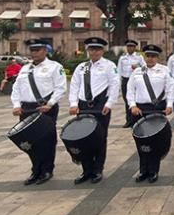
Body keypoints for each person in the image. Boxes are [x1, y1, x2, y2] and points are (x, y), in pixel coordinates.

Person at [11, 39, 66, 185]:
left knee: (46, 140)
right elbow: (16, 88)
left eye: (38, 50)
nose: (34, 53)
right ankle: (36, 169)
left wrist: (50, 104)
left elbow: (60, 88)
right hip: (26, 108)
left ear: (45, 51)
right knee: (30, 140)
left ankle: (47, 170)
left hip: (45, 108)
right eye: (32, 50)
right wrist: (16, 105)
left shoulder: (55, 67)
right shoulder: (25, 68)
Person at [68, 37, 120, 184]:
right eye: (91, 49)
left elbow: (114, 85)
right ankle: (86, 170)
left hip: (101, 105)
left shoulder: (109, 66)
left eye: (97, 49)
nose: (94, 52)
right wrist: (73, 103)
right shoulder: (81, 67)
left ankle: (97, 169)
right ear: (88, 50)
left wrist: (109, 103)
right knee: (83, 138)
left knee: (99, 138)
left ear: (102, 50)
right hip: (83, 106)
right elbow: (75, 85)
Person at [127, 44, 174, 183]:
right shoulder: (137, 72)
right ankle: (143, 171)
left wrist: (170, 105)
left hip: (157, 109)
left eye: (153, 56)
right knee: (141, 141)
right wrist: (132, 106)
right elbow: (130, 90)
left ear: (157, 57)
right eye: (148, 56)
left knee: (155, 142)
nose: (150, 59)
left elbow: (171, 89)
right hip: (140, 110)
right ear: (144, 57)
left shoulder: (165, 70)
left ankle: (153, 170)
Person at [117, 39, 145, 128]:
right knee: (127, 101)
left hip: (136, 80)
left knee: (136, 100)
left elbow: (145, 68)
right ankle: (128, 120)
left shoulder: (139, 57)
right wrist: (118, 83)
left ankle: (136, 119)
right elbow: (119, 71)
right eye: (128, 46)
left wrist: (138, 66)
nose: (130, 48)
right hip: (125, 80)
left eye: (131, 46)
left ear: (135, 47)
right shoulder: (122, 58)